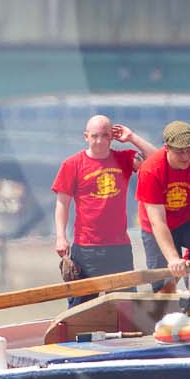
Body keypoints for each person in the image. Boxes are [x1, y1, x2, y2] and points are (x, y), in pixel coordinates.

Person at [51, 114, 143, 306]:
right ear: (86, 136)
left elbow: (157, 161)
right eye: (94, 136)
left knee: (126, 307)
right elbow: (62, 203)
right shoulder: (72, 164)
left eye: (104, 135)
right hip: (86, 249)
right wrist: (60, 236)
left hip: (119, 249)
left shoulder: (124, 159)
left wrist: (132, 137)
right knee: (80, 308)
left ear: (112, 136)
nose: (99, 141)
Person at [137, 121, 190, 295]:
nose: (185, 157)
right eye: (179, 152)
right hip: (157, 226)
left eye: (189, 150)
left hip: (188, 220)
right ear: (167, 147)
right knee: (165, 287)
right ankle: (164, 312)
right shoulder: (151, 170)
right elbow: (158, 222)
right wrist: (173, 259)